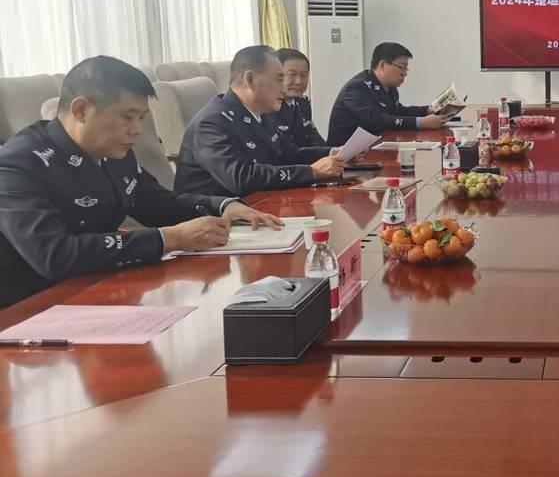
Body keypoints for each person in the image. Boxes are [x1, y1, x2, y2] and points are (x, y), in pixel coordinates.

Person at [0, 56, 280, 307]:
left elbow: (157, 203)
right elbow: (55, 255)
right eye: (128, 117)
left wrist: (224, 207)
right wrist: (169, 239)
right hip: (31, 309)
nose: (136, 130)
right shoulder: (18, 164)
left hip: (97, 288)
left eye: (141, 118)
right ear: (82, 109)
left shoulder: (113, 152)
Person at [174, 46, 343, 197]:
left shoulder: (261, 113)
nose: (283, 87)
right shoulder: (212, 123)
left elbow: (287, 153)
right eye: (279, 79)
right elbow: (241, 178)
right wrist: (311, 172)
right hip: (216, 216)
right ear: (250, 79)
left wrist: (334, 153)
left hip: (258, 204)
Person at [326, 42, 447, 146]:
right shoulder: (356, 88)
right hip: (344, 156)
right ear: (382, 65)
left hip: (374, 147)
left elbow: (398, 112)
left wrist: (430, 109)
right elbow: (377, 119)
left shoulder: (389, 87)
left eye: (406, 69)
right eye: (401, 67)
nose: (404, 73)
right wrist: (420, 123)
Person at [265, 48, 326, 149]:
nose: (298, 81)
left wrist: (332, 152)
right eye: (292, 75)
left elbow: (313, 138)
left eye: (303, 75)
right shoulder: (266, 108)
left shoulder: (303, 104)